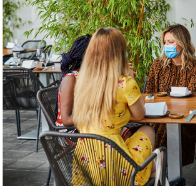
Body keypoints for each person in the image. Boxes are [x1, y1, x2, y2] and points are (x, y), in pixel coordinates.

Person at [68, 27, 158, 186]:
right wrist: (129, 78)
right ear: (119, 53)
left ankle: (151, 170)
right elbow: (139, 115)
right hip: (116, 168)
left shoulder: (81, 79)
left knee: (137, 145)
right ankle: (150, 171)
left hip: (86, 165)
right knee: (148, 131)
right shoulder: (125, 83)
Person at [144, 24, 196, 166]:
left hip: (187, 118)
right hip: (159, 114)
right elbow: (149, 93)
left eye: (171, 42)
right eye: (165, 42)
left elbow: (193, 99)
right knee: (160, 124)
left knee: (167, 125)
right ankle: (160, 168)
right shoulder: (158, 65)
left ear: (182, 43)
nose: (167, 46)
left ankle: (155, 165)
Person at [55, 34, 91, 129]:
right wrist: (96, 117)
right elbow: (66, 120)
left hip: (88, 127)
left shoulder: (93, 77)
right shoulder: (71, 78)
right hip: (70, 133)